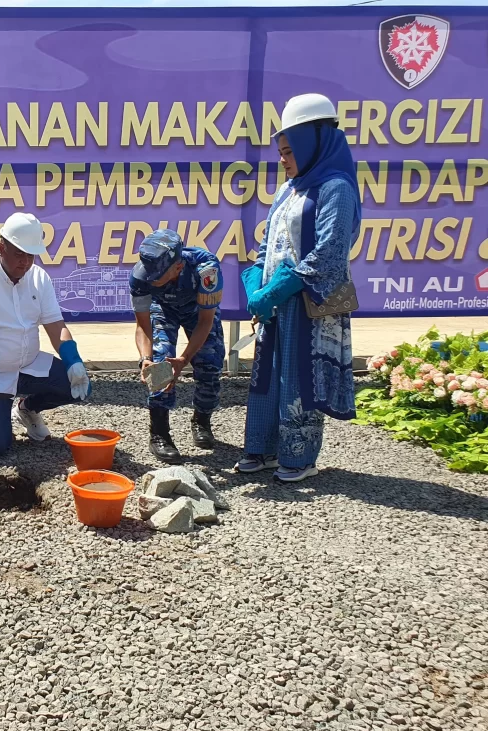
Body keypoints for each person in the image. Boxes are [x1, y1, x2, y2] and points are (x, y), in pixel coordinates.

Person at [236, 93, 360, 483]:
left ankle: (299, 457)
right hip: (276, 303)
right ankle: (264, 448)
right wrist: (256, 283)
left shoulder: (336, 188)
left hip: (308, 304)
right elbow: (268, 244)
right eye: (280, 152)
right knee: (267, 375)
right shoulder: (289, 189)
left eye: (289, 152)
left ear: (313, 143)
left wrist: (281, 287)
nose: (283, 160)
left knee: (298, 377)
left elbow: (330, 252)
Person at [0, 213, 92, 458]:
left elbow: (56, 325)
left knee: (77, 386)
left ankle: (27, 409)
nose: (25, 262)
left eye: (31, 255)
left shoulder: (39, 277)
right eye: (19, 254)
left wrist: (73, 359)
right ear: (1, 248)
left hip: (30, 365)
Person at [129, 229, 225, 464]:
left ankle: (202, 420)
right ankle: (159, 433)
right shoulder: (140, 276)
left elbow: (205, 321)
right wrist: (145, 359)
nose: (150, 280)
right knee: (159, 364)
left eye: (157, 276)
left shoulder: (206, 270)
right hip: (163, 309)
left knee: (210, 364)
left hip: (198, 311)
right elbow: (143, 326)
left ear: (178, 268)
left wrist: (184, 359)